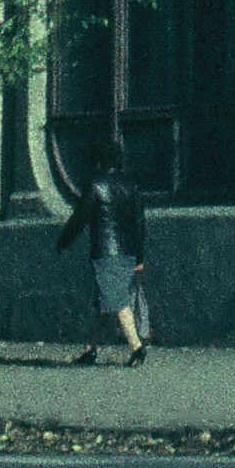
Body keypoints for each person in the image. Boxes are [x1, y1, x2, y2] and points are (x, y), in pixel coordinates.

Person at [56, 135, 151, 365]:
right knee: (105, 301)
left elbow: (80, 219)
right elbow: (139, 223)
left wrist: (63, 241)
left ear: (97, 160)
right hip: (128, 251)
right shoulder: (131, 185)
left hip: (106, 251)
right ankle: (91, 349)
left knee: (115, 300)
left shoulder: (95, 185)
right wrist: (139, 256)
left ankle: (136, 347)